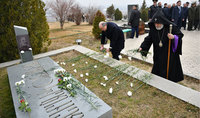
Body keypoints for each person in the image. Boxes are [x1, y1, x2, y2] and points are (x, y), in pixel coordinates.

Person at [139, 9, 184, 82]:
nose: (157, 25)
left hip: (169, 53)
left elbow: (180, 35)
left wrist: (173, 37)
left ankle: (170, 81)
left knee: (169, 68)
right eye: (155, 23)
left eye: (158, 23)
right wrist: (142, 47)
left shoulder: (171, 27)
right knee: (158, 67)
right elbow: (148, 39)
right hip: (158, 52)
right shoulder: (153, 29)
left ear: (163, 21)